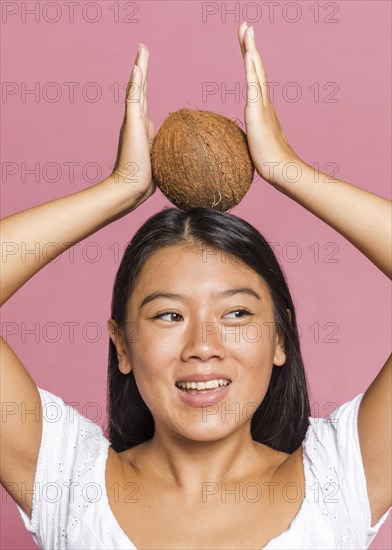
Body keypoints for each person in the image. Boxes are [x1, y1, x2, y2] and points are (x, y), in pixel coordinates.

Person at [1, 20, 391, 550]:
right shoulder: (68, 483)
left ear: (280, 339)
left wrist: (286, 169)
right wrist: (118, 190)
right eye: (169, 316)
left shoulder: (341, 479)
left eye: (236, 315)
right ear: (122, 345)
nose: (203, 347)